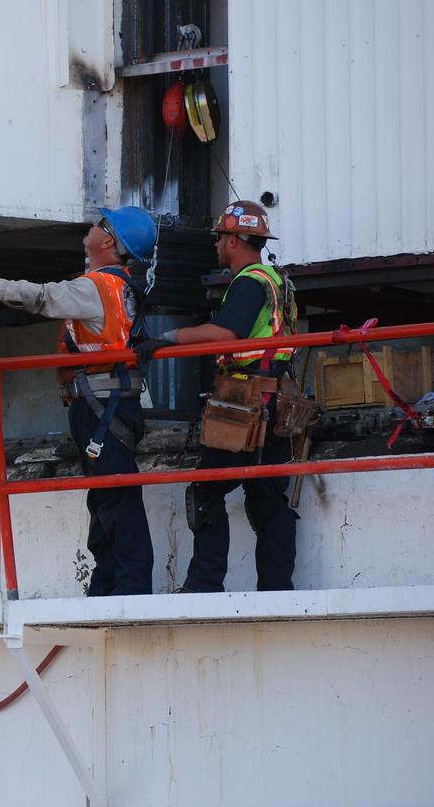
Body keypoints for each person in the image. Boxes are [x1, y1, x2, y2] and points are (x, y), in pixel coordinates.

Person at [0, 206, 158, 596]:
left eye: (99, 224)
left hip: (103, 405)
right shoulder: (118, 285)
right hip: (105, 404)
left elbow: (43, 297)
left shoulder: (95, 287)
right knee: (108, 501)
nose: (92, 227)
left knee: (117, 503)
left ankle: (129, 593)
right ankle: (108, 588)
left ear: (108, 240)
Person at [136, 201, 299, 593]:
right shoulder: (276, 279)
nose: (215, 246)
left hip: (246, 404)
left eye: (219, 238)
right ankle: (277, 591)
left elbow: (228, 334)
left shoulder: (248, 281)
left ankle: (204, 584)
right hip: (275, 400)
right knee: (268, 495)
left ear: (234, 240)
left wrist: (166, 338)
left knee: (207, 487)